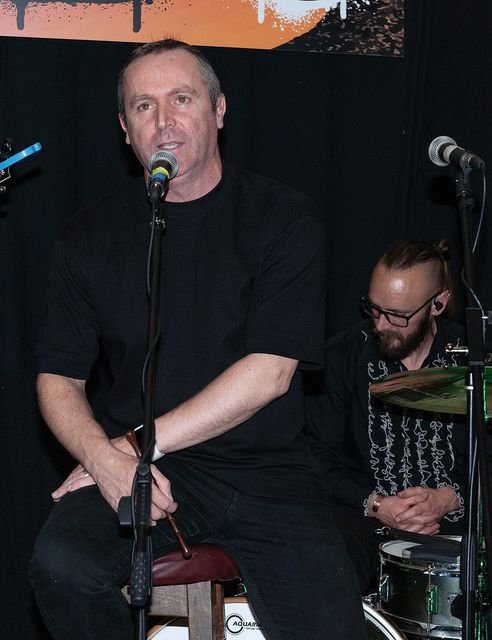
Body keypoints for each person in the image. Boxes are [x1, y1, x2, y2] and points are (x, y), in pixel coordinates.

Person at [29, 39, 366, 640]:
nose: (163, 121)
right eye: (143, 106)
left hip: (268, 471)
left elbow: (271, 372)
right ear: (124, 130)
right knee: (62, 565)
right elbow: (58, 377)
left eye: (181, 99)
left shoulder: (284, 218)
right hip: (148, 470)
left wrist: (128, 448)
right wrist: (100, 458)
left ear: (219, 109)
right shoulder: (86, 238)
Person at [304, 240, 466, 595]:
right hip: (367, 527)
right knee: (325, 554)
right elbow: (315, 454)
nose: (380, 324)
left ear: (437, 304)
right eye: (373, 309)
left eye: (397, 315)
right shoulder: (344, 357)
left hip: (460, 528)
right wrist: (377, 504)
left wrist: (448, 499)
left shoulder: (471, 361)